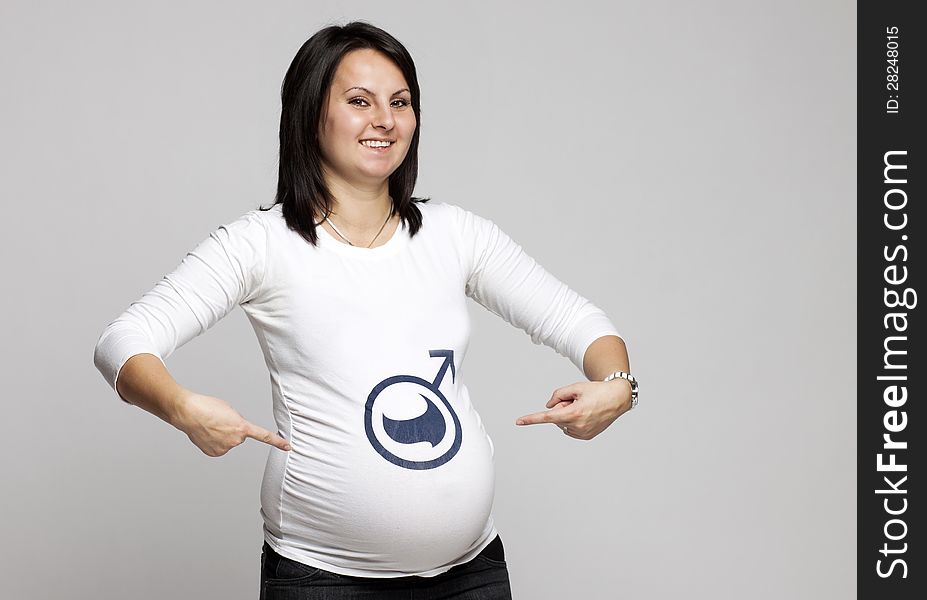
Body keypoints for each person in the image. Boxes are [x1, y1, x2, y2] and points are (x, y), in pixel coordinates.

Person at [92, 21, 636, 599]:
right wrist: (181, 407)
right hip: (321, 580)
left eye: (400, 102)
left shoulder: (456, 235)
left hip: (472, 573)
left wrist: (618, 386)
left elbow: (582, 322)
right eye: (359, 101)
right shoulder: (260, 244)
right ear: (310, 114)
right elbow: (121, 342)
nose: (385, 119)